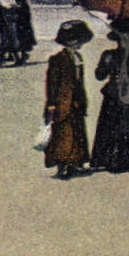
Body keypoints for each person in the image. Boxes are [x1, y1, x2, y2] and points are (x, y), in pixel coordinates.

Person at [91, 19, 129, 173]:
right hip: (113, 95)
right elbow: (99, 76)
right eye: (123, 38)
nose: (127, 41)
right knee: (112, 127)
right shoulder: (109, 54)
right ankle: (111, 161)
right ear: (117, 39)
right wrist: (105, 63)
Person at [45, 20, 93, 179]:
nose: (78, 44)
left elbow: (79, 82)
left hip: (76, 101)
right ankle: (62, 166)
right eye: (76, 41)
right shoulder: (58, 58)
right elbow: (52, 84)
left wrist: (82, 99)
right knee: (63, 135)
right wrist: (51, 104)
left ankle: (75, 164)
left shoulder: (78, 57)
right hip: (62, 102)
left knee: (76, 132)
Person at [11, 0, 37, 65]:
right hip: (23, 26)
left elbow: (25, 17)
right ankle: (23, 58)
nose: (16, 0)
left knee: (23, 42)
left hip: (24, 27)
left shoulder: (24, 6)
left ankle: (22, 58)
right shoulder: (23, 6)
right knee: (22, 42)